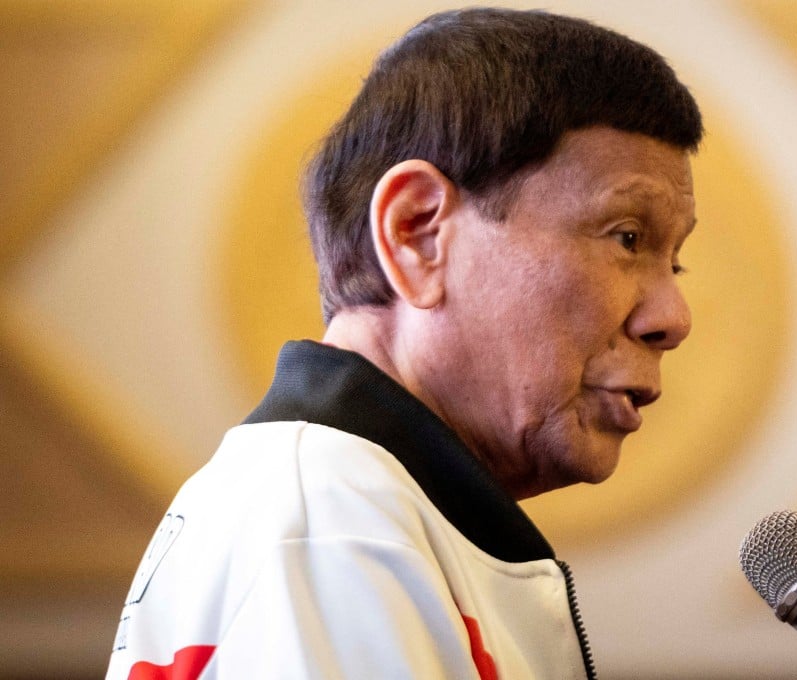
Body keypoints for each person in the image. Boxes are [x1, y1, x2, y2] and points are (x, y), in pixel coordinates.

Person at [106, 7, 702, 679]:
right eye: (627, 237)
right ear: (418, 233)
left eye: (674, 260)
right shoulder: (332, 526)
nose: (673, 316)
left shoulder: (353, 512)